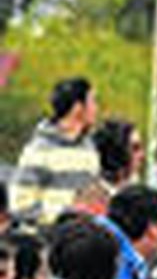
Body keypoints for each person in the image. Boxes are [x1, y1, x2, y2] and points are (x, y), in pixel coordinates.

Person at [10, 77, 100, 225]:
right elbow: (20, 206)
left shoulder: (90, 149)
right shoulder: (38, 151)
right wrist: (66, 214)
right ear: (78, 108)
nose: (96, 108)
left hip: (82, 240)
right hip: (46, 242)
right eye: (93, 101)